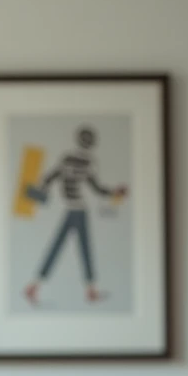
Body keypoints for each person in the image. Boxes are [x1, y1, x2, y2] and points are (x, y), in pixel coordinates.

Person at [23, 125, 126, 305]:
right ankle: (89, 291)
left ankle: (35, 286)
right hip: (78, 209)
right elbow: (97, 189)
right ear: (91, 143)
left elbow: (50, 177)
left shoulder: (66, 158)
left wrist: (39, 191)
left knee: (59, 247)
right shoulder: (89, 163)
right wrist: (115, 193)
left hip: (71, 208)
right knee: (83, 249)